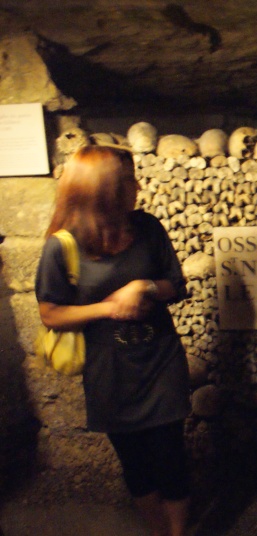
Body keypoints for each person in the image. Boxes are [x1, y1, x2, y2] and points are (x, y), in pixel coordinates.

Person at [35, 145, 192, 536]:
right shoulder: (63, 245)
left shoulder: (148, 228)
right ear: (99, 188)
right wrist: (107, 308)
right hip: (110, 369)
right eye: (126, 179)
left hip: (160, 360)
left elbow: (176, 285)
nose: (137, 186)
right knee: (136, 463)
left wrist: (143, 287)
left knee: (172, 457)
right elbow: (50, 313)